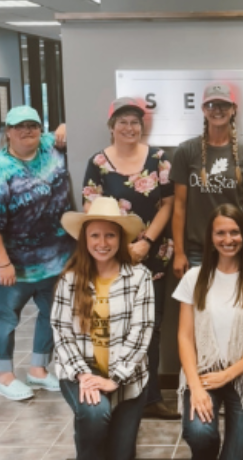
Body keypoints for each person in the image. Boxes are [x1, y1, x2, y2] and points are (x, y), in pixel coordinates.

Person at [80, 96, 178, 419]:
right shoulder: (98, 163)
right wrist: (119, 248)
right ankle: (116, 389)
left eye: (135, 122)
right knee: (115, 324)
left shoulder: (159, 159)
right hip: (111, 258)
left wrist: (146, 243)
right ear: (111, 127)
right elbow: (90, 212)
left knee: (151, 326)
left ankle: (150, 398)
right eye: (122, 121)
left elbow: (168, 204)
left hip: (152, 256)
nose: (129, 127)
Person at [0, 105, 74, 401]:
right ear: (8, 132)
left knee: (52, 315)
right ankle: (4, 376)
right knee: (5, 319)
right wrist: (3, 263)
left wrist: (65, 125)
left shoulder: (48, 146)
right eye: (19, 126)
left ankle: (38, 371)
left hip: (56, 259)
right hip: (14, 266)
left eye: (32, 125)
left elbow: (70, 129)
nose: (27, 131)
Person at [49, 197, 156, 460]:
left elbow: (141, 334)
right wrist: (84, 376)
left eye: (110, 235)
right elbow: (61, 332)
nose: (102, 242)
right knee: (95, 415)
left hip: (127, 377)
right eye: (95, 235)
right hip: (81, 372)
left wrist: (114, 378)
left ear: (120, 239)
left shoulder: (140, 277)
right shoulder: (70, 279)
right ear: (84, 239)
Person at [174, 204, 243, 459]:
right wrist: (195, 387)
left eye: (235, 232)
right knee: (200, 434)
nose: (228, 240)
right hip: (203, 372)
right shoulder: (193, 277)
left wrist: (228, 374)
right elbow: (184, 337)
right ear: (211, 239)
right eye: (220, 233)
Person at [171, 82, 243, 279]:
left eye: (224, 105)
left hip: (235, 247)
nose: (218, 111)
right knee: (197, 308)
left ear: (233, 109)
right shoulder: (186, 151)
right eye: (212, 105)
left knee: (235, 308)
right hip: (197, 250)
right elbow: (179, 206)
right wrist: (179, 252)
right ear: (204, 109)